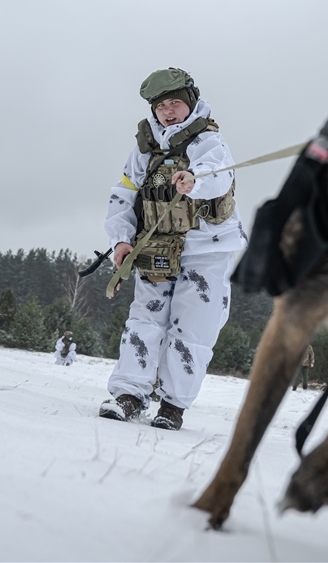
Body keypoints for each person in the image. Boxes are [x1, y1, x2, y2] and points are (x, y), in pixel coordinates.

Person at [99, 68, 245, 431]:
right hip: (157, 248)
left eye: (175, 103)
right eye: (161, 106)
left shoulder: (208, 141)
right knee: (145, 320)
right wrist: (121, 239)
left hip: (206, 250)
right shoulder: (144, 149)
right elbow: (124, 194)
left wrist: (195, 181)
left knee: (193, 329)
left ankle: (172, 405)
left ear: (191, 102)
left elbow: (219, 174)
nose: (168, 111)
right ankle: (129, 394)